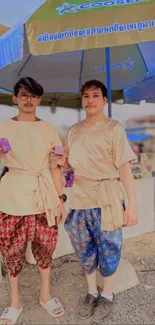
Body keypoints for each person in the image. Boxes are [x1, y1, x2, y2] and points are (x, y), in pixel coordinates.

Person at [51, 80, 138, 323]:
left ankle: (107, 294)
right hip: (79, 196)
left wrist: (132, 204)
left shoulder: (114, 128)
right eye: (86, 95)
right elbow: (69, 163)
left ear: (104, 101)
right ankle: (91, 292)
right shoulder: (74, 130)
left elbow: (124, 167)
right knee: (83, 246)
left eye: (95, 95)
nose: (90, 100)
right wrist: (61, 162)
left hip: (107, 196)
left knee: (109, 246)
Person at [0, 77, 66, 325]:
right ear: (15, 98)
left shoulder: (49, 130)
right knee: (11, 251)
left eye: (33, 95)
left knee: (46, 248)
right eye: (23, 94)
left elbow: (56, 166)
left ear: (39, 99)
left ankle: (45, 295)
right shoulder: (3, 127)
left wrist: (60, 200)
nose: (28, 99)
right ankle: (15, 301)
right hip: (12, 196)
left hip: (44, 195)